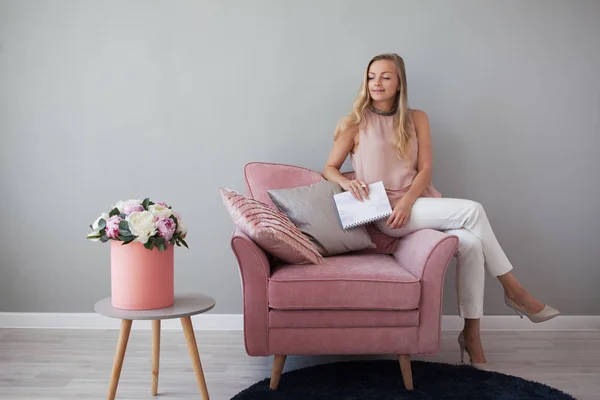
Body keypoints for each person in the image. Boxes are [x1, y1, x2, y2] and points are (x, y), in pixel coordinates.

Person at [323, 53, 560, 369]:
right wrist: (345, 181)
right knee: (473, 211)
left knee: (472, 245)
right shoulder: (355, 123)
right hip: (386, 215)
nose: (376, 83)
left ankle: (472, 336)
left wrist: (408, 202)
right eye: (371, 76)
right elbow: (329, 167)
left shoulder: (417, 118)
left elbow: (425, 170)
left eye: (385, 77)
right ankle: (514, 289)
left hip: (416, 205)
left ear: (399, 82)